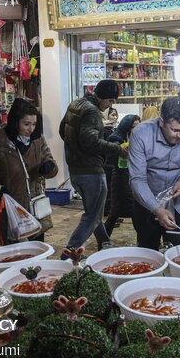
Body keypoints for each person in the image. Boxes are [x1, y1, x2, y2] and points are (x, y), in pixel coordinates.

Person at [129, 97, 180, 250]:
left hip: (179, 202)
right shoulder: (141, 134)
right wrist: (156, 209)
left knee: (178, 249)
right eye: (175, 130)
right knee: (147, 250)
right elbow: (137, 178)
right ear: (161, 122)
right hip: (147, 200)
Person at [59, 79, 127, 253]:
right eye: (111, 100)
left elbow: (62, 130)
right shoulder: (92, 111)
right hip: (90, 170)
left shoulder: (76, 104)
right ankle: (70, 252)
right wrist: (117, 149)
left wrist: (74, 148)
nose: (111, 105)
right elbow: (91, 142)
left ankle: (104, 242)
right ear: (103, 96)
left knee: (93, 210)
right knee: (92, 215)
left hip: (74, 168)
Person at [0, 98, 58, 243]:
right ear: (15, 122)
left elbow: (50, 161)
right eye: (26, 124)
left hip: (35, 207)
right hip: (10, 207)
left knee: (37, 249)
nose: (31, 129)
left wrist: (48, 166)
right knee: (15, 252)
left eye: (34, 124)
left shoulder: (37, 139)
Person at [104, 114, 141, 236]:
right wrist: (122, 150)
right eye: (134, 126)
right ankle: (104, 240)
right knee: (114, 212)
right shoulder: (115, 138)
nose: (137, 128)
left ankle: (143, 241)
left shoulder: (138, 138)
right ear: (127, 126)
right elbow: (110, 157)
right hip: (120, 177)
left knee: (136, 212)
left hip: (133, 177)